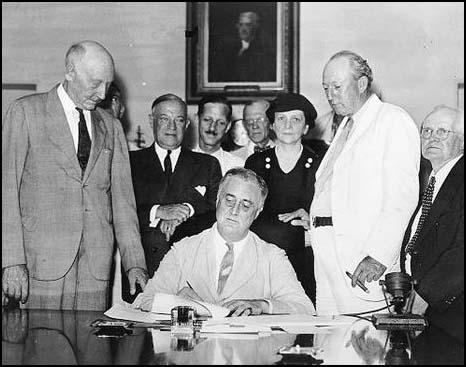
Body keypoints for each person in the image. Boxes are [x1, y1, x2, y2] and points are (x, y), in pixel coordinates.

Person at [2, 40, 148, 311]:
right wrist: (11, 261)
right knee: (42, 348)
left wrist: (135, 262)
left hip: (95, 268)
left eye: (107, 84)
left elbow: (123, 203)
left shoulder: (112, 126)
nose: (103, 94)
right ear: (70, 71)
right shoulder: (25, 113)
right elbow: (6, 191)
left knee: (92, 351)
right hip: (40, 265)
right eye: (95, 83)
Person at [309, 50, 420, 315]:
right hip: (327, 257)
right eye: (326, 88)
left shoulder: (392, 120)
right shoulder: (346, 126)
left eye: (337, 86)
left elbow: (402, 198)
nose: (329, 95)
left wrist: (378, 254)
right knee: (331, 345)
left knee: (366, 346)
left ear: (361, 83)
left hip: (362, 261)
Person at [132, 168, 315, 316]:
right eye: (229, 200)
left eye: (246, 205)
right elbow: (143, 301)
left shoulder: (272, 256)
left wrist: (262, 305)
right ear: (217, 200)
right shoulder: (183, 249)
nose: (235, 211)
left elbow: (305, 308)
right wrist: (181, 304)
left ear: (258, 212)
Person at [126, 93, 222, 300]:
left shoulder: (207, 164)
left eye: (178, 120)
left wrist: (187, 210)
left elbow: (216, 210)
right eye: (164, 119)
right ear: (151, 121)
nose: (171, 127)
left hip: (192, 276)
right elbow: (120, 211)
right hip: (144, 269)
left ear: (187, 124)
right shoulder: (130, 163)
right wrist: (158, 211)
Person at [245, 92, 320, 303]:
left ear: (305, 127)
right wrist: (300, 236)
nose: (288, 125)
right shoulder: (255, 163)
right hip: (262, 260)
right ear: (273, 125)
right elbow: (249, 216)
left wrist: (311, 217)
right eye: (281, 119)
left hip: (305, 264)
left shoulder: (319, 164)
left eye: (296, 119)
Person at [401, 105, 464, 341]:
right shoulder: (432, 181)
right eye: (426, 131)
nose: (431, 137)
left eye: (442, 132)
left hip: (451, 318)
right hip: (428, 314)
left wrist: (425, 296)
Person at [209, 11, 275, 82]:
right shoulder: (228, 48)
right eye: (241, 25)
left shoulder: (264, 49)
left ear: (256, 26)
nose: (243, 29)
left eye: (248, 25)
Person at [192, 95, 245, 175]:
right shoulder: (180, 163)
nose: (212, 128)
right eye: (207, 120)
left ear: (228, 126)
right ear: (197, 119)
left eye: (220, 123)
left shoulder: (238, 167)